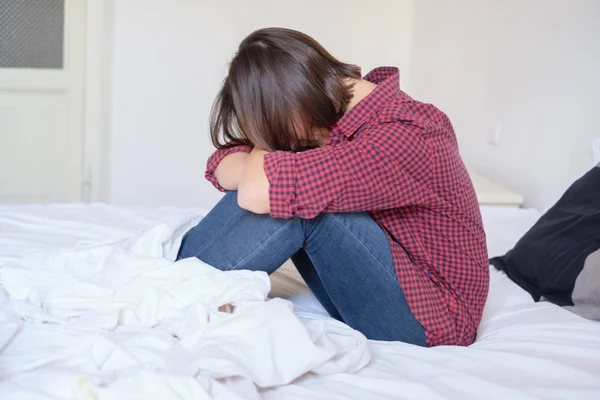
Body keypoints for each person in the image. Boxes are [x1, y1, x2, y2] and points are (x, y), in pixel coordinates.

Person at [177, 27, 489, 347]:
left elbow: (259, 191)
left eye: (266, 124)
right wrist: (270, 146)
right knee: (284, 185)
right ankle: (176, 283)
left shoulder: (407, 132)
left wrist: (268, 148)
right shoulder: (331, 116)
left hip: (433, 318)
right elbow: (222, 163)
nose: (269, 140)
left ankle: (175, 291)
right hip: (392, 279)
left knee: (296, 202)